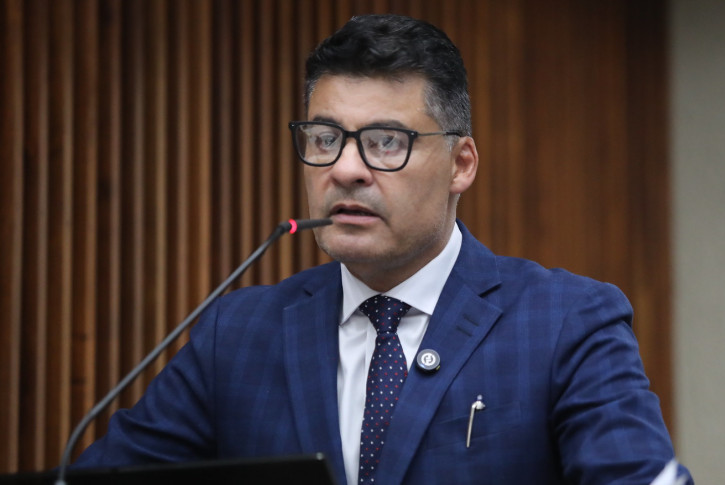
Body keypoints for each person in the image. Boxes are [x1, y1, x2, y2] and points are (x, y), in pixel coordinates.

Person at [73, 14, 691, 485]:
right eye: (325, 138)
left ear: (461, 164)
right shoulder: (237, 334)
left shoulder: (564, 321)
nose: (346, 169)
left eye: (385, 142)